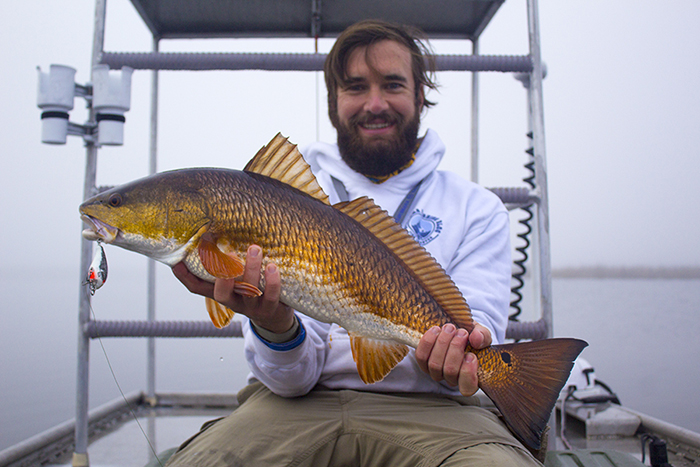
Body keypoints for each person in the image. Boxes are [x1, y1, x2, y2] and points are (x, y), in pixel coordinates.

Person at [167, 19, 542, 466]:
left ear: (421, 96)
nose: (375, 103)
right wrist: (274, 325)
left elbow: (474, 337)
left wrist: (453, 359)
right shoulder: (273, 196)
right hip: (292, 408)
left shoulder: (476, 208)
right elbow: (292, 382)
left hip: (438, 415)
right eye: (356, 87)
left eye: (393, 85)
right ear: (334, 102)